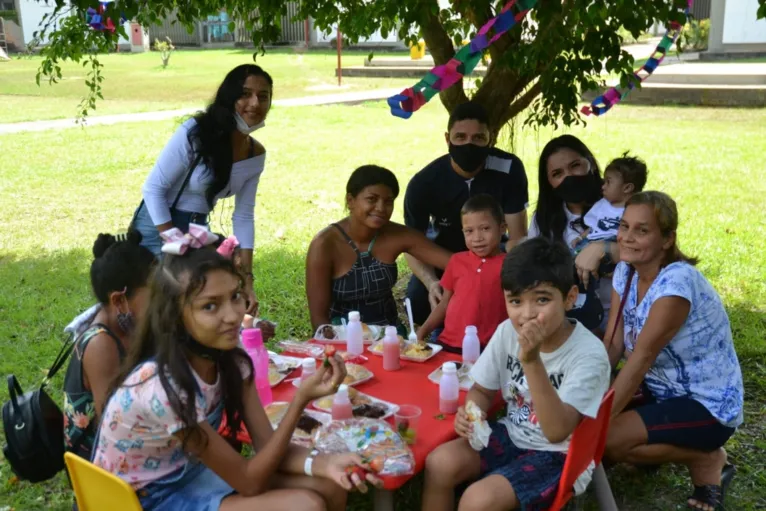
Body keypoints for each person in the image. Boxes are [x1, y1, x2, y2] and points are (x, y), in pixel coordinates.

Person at [92, 245, 380, 510]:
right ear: (175, 316)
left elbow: (268, 447)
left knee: (329, 486)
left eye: (235, 297)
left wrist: (325, 464)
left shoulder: (232, 358)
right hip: (142, 499)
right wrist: (300, 399)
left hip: (190, 472)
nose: (232, 315)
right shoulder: (164, 388)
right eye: (210, 306)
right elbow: (249, 481)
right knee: (305, 505)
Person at [421, 237, 611, 511]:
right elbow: (483, 390)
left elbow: (557, 432)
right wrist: (472, 412)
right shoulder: (507, 333)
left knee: (477, 501)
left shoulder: (588, 354)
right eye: (516, 301)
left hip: (558, 455)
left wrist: (532, 361)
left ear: (569, 298)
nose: (527, 314)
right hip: (512, 433)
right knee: (440, 462)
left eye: (542, 299)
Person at [603, 191, 744, 511]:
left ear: (667, 239)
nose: (627, 238)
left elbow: (640, 359)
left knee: (607, 439)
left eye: (642, 230)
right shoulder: (625, 271)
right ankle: (654, 445)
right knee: (601, 442)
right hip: (662, 388)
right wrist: (582, 393)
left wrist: (597, 419)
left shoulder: (676, 285)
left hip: (706, 402)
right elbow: (613, 343)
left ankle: (708, 458)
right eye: (624, 227)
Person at [132, 64, 273, 315]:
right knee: (162, 310)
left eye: (263, 96)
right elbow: (153, 189)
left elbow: (243, 216)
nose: (255, 103)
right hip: (158, 226)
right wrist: (174, 242)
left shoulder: (255, 154)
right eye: (245, 94)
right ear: (229, 97)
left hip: (198, 231)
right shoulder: (195, 132)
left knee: (196, 308)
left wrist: (248, 280)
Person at [404, 101, 529, 326]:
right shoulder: (425, 182)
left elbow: (518, 236)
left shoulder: (509, 168)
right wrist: (431, 281)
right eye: (460, 137)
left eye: (478, 138)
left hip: (494, 252)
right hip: (445, 256)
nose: (468, 145)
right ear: (447, 139)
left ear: (490, 138)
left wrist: (509, 273)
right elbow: (411, 245)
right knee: (418, 299)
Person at [306, 165, 451, 330]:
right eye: (372, 199)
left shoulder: (397, 234)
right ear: (350, 200)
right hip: (342, 338)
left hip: (389, 337)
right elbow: (319, 321)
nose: (381, 208)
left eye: (388, 201)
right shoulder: (325, 244)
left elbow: (456, 263)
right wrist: (334, 348)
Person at [63, 231, 155, 461]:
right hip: (101, 460)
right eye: (155, 296)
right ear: (119, 300)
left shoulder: (133, 325)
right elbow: (114, 423)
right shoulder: (100, 344)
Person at [528, 134, 614, 331]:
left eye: (575, 165)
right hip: (569, 320)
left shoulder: (619, 207)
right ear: (548, 183)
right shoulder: (543, 220)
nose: (569, 177)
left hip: (622, 316)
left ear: (590, 163)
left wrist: (604, 248)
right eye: (557, 174)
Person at [416, 194, 508, 353]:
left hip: (489, 348)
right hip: (449, 342)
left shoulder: (510, 265)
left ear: (502, 228)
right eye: (469, 231)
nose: (477, 238)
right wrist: (423, 331)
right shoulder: (457, 261)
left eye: (485, 228)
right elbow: (444, 303)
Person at [571, 152, 648, 257]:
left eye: (608, 182)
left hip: (614, 247)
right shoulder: (602, 205)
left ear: (627, 188)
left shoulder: (636, 211)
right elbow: (593, 227)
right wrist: (580, 238)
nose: (603, 186)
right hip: (591, 242)